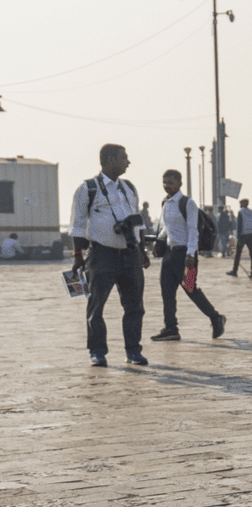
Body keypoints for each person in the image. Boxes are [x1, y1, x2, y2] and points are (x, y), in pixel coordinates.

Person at [70, 143, 149, 367]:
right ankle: (97, 351)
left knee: (135, 306)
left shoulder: (129, 188)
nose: (128, 162)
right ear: (111, 159)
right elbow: (77, 225)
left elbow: (138, 222)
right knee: (96, 305)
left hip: (130, 254)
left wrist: (142, 251)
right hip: (101, 255)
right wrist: (77, 254)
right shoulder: (88, 188)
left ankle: (133, 351)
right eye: (124, 158)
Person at [150, 170, 226, 343]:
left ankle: (216, 318)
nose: (167, 185)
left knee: (191, 288)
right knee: (166, 291)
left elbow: (193, 230)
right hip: (170, 253)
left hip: (186, 254)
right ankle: (171, 328)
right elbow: (166, 227)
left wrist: (191, 254)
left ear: (179, 183)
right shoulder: (165, 203)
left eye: (170, 182)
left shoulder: (187, 203)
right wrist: (159, 241)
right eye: (164, 182)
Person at [229, 198, 252, 278]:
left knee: (238, 254)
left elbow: (239, 225)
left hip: (242, 235)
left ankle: (235, 271)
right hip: (250, 235)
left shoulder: (241, 211)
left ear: (242, 204)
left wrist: (238, 237)